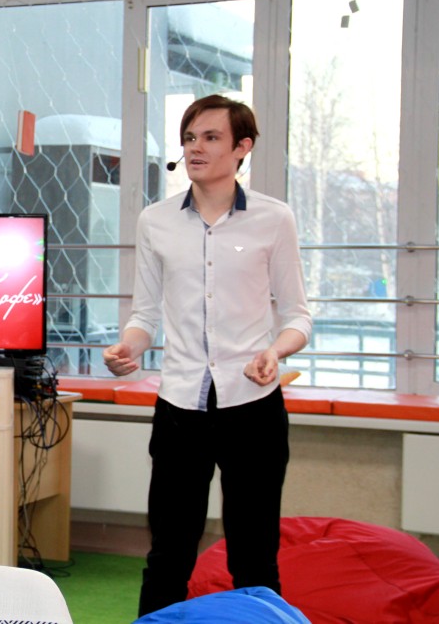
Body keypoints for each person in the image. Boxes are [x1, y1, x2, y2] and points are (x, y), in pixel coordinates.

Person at [102, 95, 312, 617]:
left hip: (254, 407)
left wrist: (274, 351)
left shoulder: (274, 218)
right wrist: (129, 347)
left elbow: (298, 317)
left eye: (211, 137)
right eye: (190, 137)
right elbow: (144, 315)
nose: (196, 148)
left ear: (243, 147)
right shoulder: (155, 221)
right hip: (180, 408)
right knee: (168, 554)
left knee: (255, 557)